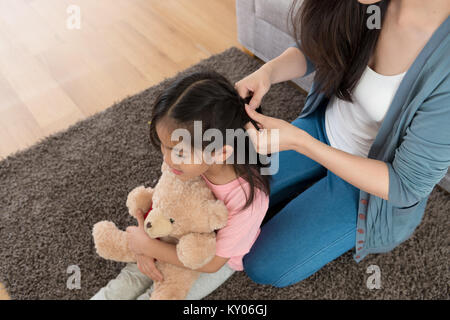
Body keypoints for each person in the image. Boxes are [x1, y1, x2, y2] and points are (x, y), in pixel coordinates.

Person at [236, 0, 450, 287]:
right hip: (319, 129)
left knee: (262, 265)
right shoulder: (372, 5)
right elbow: (322, 47)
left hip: (367, 188)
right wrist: (269, 72)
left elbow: (405, 185)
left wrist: (300, 143)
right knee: (225, 195)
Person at [91, 70, 270, 299]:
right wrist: (143, 241)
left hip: (206, 259)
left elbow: (214, 263)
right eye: (164, 146)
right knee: (127, 281)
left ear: (221, 152)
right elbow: (162, 201)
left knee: (165, 294)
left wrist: (148, 247)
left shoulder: (248, 199)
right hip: (167, 235)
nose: (166, 159)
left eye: (177, 152)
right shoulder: (183, 164)